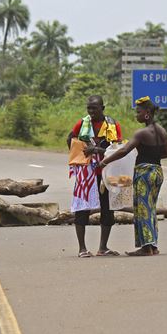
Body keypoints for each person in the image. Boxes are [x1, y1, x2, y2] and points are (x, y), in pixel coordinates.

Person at [98, 96, 167, 256]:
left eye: (138, 112)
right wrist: (151, 155)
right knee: (151, 208)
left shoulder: (142, 133)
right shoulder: (161, 131)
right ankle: (153, 245)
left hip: (144, 173)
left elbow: (124, 150)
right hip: (157, 171)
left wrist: (105, 162)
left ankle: (146, 247)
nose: (136, 115)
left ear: (146, 113)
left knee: (142, 209)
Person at [67, 95, 122, 258]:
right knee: (82, 208)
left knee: (108, 209)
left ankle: (103, 247)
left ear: (102, 108)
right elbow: (70, 139)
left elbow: (118, 149)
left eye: (94, 108)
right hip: (87, 174)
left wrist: (97, 151)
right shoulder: (82, 123)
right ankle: (82, 248)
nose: (91, 111)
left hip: (106, 173)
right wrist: (81, 152)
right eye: (89, 108)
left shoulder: (112, 124)